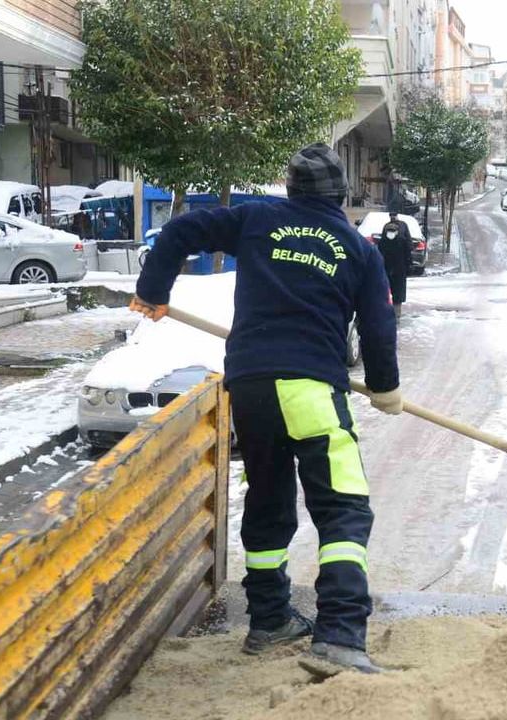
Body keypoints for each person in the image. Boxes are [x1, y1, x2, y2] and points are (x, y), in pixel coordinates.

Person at [129, 142, 401, 674]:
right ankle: (342, 635)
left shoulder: (257, 218)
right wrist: (386, 387)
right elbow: (378, 326)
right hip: (311, 388)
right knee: (343, 506)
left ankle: (270, 619)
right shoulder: (356, 246)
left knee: (270, 500)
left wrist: (152, 290)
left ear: (291, 187)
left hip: (251, 386)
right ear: (341, 195)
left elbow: (182, 231)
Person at [378, 212, 412, 318]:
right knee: (396, 293)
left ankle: (390, 313)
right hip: (397, 268)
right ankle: (395, 314)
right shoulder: (403, 232)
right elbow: (409, 248)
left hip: (391, 268)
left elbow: (380, 250)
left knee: (388, 291)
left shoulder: (387, 235)